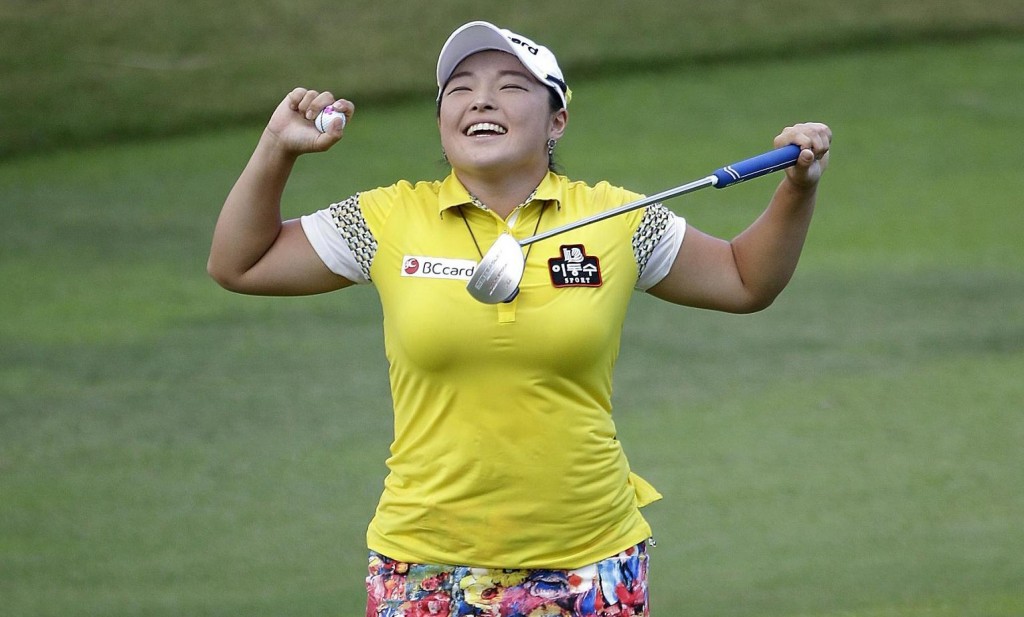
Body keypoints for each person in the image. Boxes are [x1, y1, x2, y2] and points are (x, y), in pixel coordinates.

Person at [208, 20, 831, 617]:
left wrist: (796, 190)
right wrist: (276, 149)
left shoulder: (617, 219)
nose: (482, 101)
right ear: (442, 121)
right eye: (460, 90)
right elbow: (240, 264)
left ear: (557, 118)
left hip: (588, 562)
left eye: (510, 87)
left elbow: (746, 280)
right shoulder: (387, 218)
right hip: (424, 566)